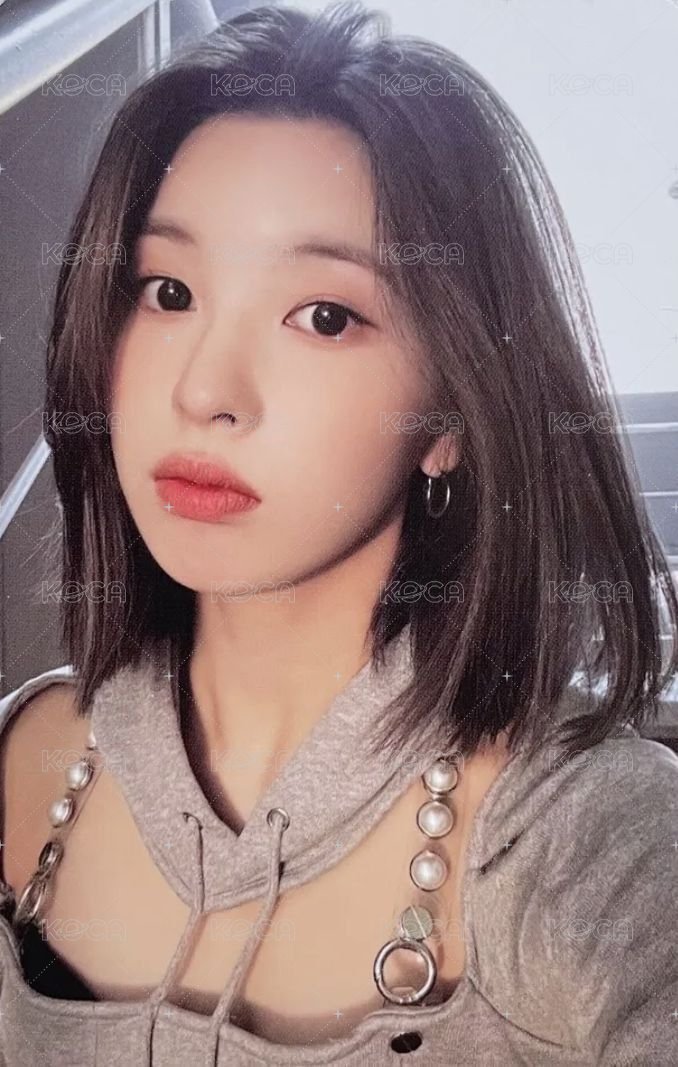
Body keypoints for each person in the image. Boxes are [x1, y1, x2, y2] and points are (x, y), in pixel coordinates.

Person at [1, 3, 677, 1064]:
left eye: (323, 316)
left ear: (450, 417)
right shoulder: (26, 758)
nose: (205, 391)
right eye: (169, 292)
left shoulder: (579, 832)